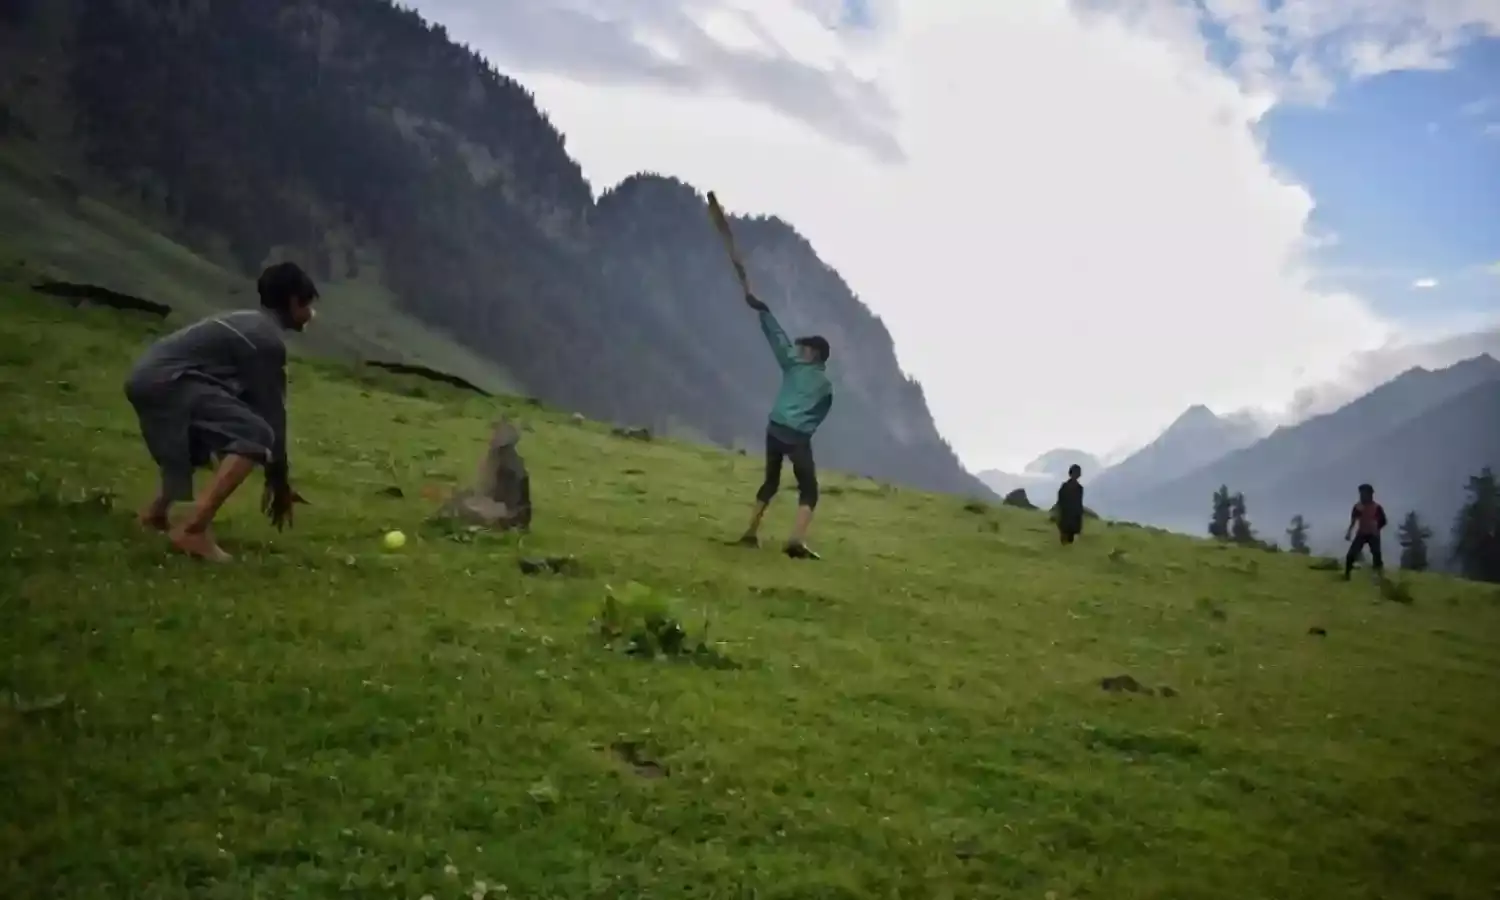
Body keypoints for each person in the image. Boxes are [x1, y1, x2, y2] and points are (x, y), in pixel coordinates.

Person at [124, 261, 316, 562]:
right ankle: (193, 529)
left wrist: (277, 477)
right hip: (171, 381)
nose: (312, 315)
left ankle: (155, 515)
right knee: (255, 434)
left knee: (201, 439)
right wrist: (278, 479)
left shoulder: (249, 323)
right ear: (293, 302)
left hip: (149, 376)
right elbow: (272, 417)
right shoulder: (266, 340)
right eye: (309, 305)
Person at [737, 290, 833, 559]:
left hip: (775, 428)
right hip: (797, 437)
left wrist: (764, 311)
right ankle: (795, 541)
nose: (799, 350)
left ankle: (750, 533)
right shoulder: (825, 386)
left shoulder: (792, 365)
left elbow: (777, 339)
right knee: (809, 489)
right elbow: (821, 412)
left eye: (804, 348)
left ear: (814, 354)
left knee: (770, 481)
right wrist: (807, 428)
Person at [1343, 482, 1388, 580]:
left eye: (1364, 494)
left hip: (1373, 535)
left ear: (1370, 494)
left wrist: (1377, 527)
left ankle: (1379, 575)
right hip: (1362, 533)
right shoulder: (1358, 507)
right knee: (1351, 554)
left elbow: (1384, 521)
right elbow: (1354, 520)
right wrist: (1349, 532)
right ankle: (1347, 574)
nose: (1362, 496)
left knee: (1376, 554)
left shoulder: (1377, 508)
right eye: (1361, 494)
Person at [1056, 464, 1085, 544]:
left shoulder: (1079, 488)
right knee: (1064, 540)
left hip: (1074, 519)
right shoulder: (1065, 487)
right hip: (1065, 517)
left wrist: (1079, 518)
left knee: (1070, 541)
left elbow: (1079, 503)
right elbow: (1060, 501)